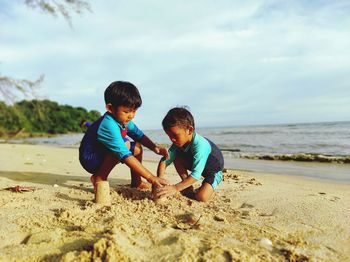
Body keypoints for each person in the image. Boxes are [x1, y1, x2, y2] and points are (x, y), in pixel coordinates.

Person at [79, 81, 169, 191]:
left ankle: (137, 182)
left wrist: (156, 148)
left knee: (137, 147)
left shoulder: (124, 120)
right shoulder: (108, 124)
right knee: (125, 144)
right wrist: (151, 177)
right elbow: (123, 153)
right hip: (90, 158)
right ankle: (99, 177)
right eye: (126, 111)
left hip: (103, 153)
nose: (131, 115)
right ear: (110, 108)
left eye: (134, 111)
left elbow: (139, 135)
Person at [155, 107, 224, 202]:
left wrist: (175, 188)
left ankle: (210, 184)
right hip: (194, 163)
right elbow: (165, 160)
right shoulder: (177, 143)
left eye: (175, 135)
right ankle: (187, 185)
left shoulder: (200, 145)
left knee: (201, 197)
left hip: (213, 170)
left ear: (190, 130)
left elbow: (196, 175)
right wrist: (160, 179)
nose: (172, 139)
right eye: (169, 136)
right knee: (175, 156)